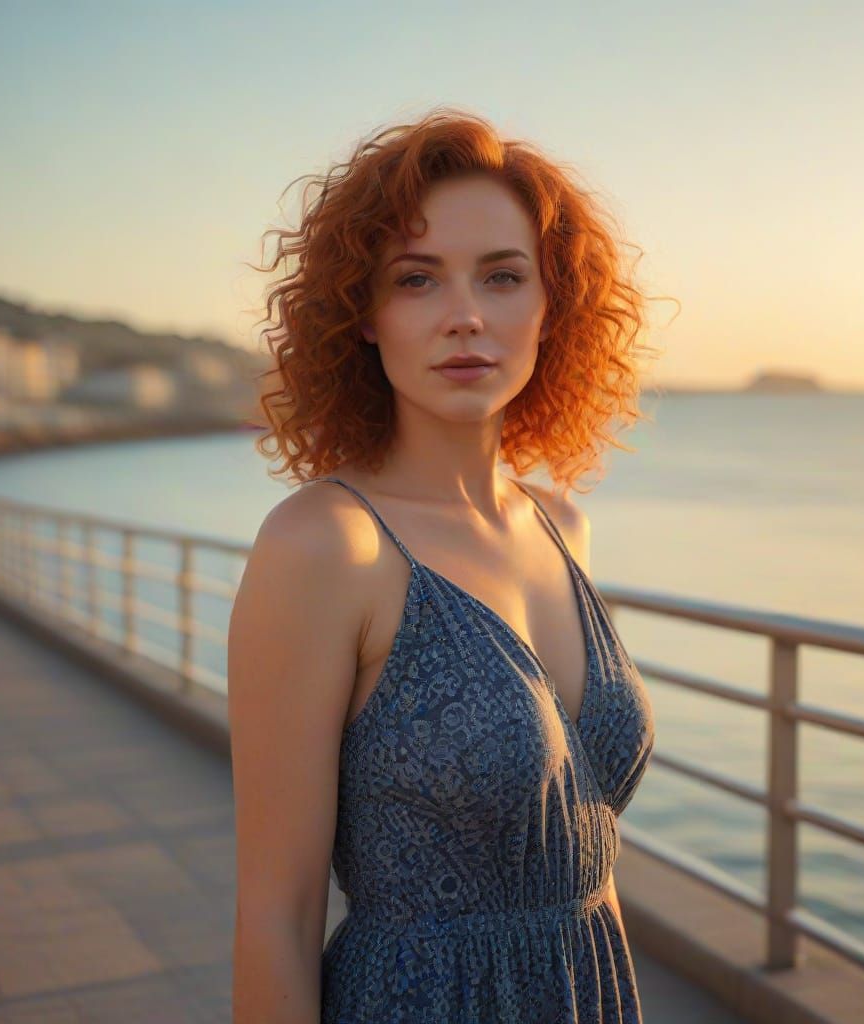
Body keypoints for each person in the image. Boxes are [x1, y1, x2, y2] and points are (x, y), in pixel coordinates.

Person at [228, 107, 658, 1023]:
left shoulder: (562, 525)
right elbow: (277, 910)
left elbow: (589, 858)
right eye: (417, 279)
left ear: (552, 308)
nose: (465, 315)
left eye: (503, 277)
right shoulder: (326, 546)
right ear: (365, 316)